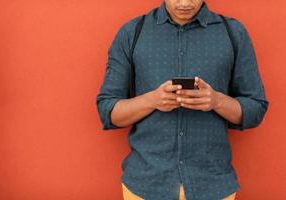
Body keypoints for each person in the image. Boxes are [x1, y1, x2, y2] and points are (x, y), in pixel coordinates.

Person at [96, 0, 269, 199]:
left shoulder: (233, 33)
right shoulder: (132, 32)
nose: (185, 3)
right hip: (145, 185)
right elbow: (107, 111)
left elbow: (256, 108)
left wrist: (216, 101)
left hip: (213, 186)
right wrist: (152, 100)